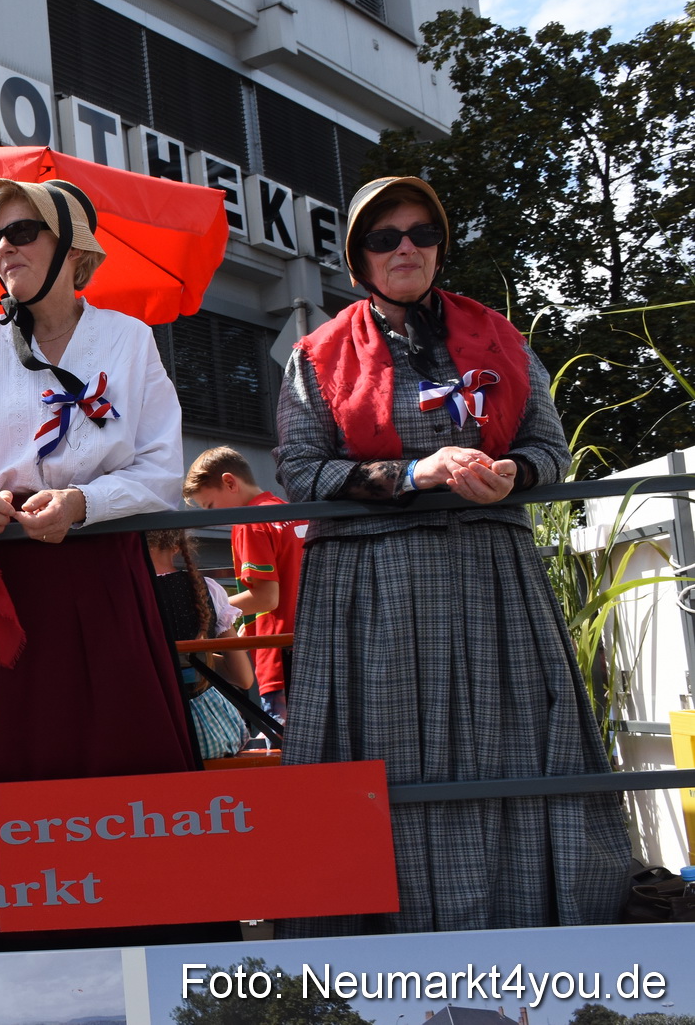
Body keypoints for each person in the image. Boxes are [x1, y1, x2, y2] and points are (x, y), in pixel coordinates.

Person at [275, 175, 630, 935]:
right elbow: (302, 472)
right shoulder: (318, 354)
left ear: (439, 246)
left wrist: (515, 472)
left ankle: (534, 939)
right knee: (391, 766)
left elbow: (548, 448)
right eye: (384, 237)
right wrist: (416, 472)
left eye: (420, 234)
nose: (405, 248)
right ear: (359, 258)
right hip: (374, 589)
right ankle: (378, 953)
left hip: (492, 579)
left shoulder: (499, 338)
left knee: (506, 756)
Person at [0, 177, 196, 786]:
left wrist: (85, 502)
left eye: (22, 231)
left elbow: (164, 473)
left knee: (118, 763)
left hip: (101, 575)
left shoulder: (130, 341)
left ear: (72, 250)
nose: (3, 247)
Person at [183, 445, 304, 738]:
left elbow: (265, 597)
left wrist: (206, 609)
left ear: (230, 482)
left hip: (279, 664)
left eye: (210, 506)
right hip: (313, 655)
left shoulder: (250, 523)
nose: (214, 518)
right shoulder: (291, 513)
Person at [145, 528, 252, 762]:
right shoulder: (206, 589)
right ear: (177, 547)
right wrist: (201, 659)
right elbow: (243, 677)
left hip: (146, 731)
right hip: (207, 732)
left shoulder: (120, 594)